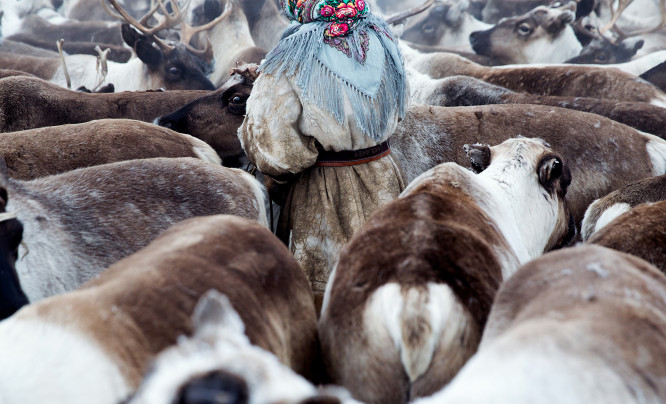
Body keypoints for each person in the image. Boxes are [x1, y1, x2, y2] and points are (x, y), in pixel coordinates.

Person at [238, 0, 408, 311]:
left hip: (324, 196)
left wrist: (275, 173)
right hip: (386, 182)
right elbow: (399, 113)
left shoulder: (292, 53)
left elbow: (276, 147)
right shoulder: (384, 39)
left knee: (328, 300)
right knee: (393, 285)